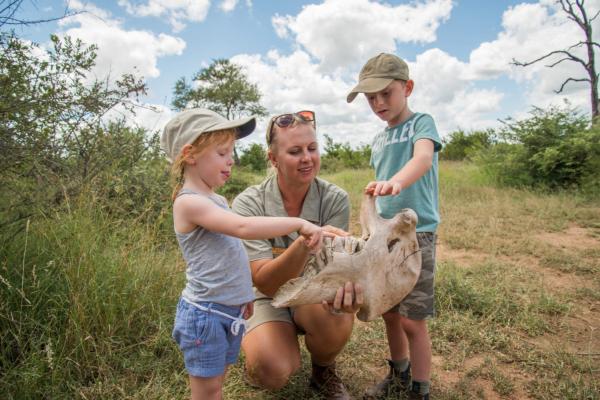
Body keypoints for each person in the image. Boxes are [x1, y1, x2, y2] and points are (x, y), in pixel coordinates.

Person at [161, 108, 329, 400]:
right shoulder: (190, 203)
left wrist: (242, 298)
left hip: (227, 309)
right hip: (205, 314)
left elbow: (229, 255)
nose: (231, 161)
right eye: (223, 153)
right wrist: (300, 224)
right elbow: (242, 227)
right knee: (206, 390)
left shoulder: (213, 199)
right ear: (190, 155)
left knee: (217, 383)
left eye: (232, 153)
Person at [231, 110, 363, 400]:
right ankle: (266, 341)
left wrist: (345, 291)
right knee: (271, 371)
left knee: (339, 312)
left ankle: (323, 370)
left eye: (312, 148)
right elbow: (264, 283)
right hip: (264, 296)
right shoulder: (248, 203)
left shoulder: (334, 198)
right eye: (295, 151)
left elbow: (332, 271)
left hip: (311, 289)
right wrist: (305, 242)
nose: (307, 158)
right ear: (273, 159)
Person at [346, 53, 442, 400]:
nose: (379, 103)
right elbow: (382, 178)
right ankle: (399, 374)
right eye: (371, 98)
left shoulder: (421, 124)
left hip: (416, 234)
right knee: (388, 311)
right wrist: (377, 188)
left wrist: (396, 183)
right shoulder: (378, 139)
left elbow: (422, 158)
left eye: (386, 93)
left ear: (408, 88)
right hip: (383, 234)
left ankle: (421, 389)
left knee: (412, 320)